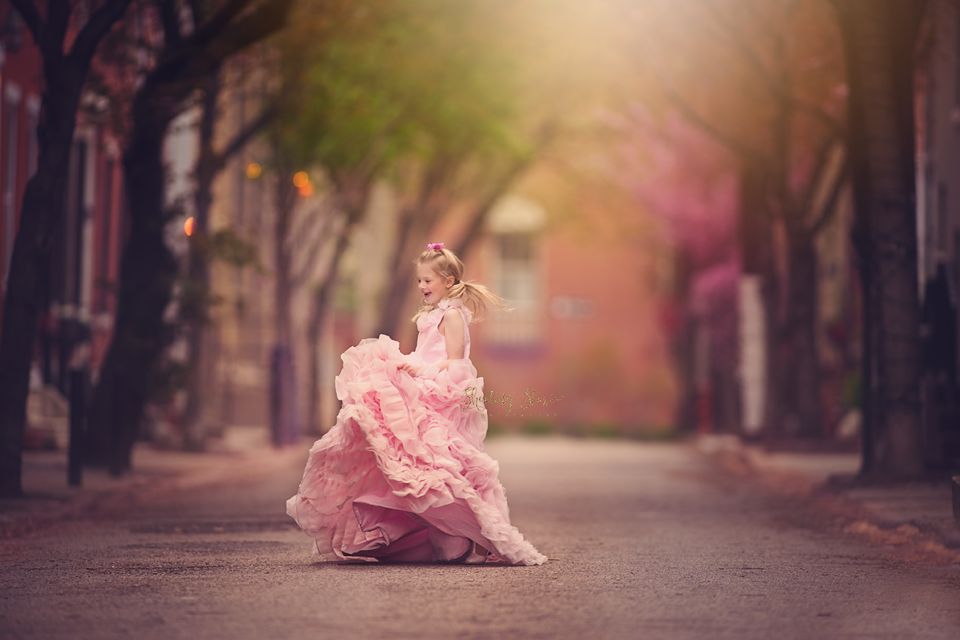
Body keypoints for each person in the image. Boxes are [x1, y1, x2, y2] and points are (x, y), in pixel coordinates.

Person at [286, 243, 547, 566]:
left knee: (432, 462)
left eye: (428, 281)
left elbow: (456, 363)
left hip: (439, 389)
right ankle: (412, 529)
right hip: (423, 380)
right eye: (419, 281)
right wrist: (409, 366)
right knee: (397, 445)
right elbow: (425, 355)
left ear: (449, 282)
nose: (422, 286)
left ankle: (456, 533)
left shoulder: (452, 316)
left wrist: (421, 371)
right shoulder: (432, 315)